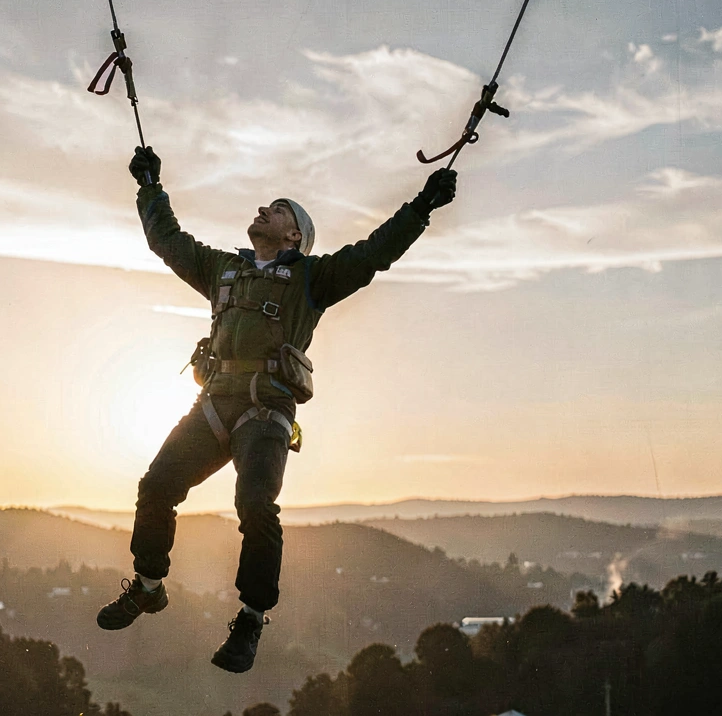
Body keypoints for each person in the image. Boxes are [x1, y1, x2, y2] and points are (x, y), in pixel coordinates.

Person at [96, 146, 457, 673]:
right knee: (156, 486)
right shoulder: (222, 269)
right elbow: (167, 241)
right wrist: (150, 186)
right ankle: (149, 586)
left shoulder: (313, 279)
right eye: (267, 205)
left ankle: (251, 617)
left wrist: (422, 206)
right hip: (214, 402)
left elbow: (376, 251)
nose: (265, 209)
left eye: (279, 208)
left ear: (295, 238)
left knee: (256, 504)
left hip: (266, 411)